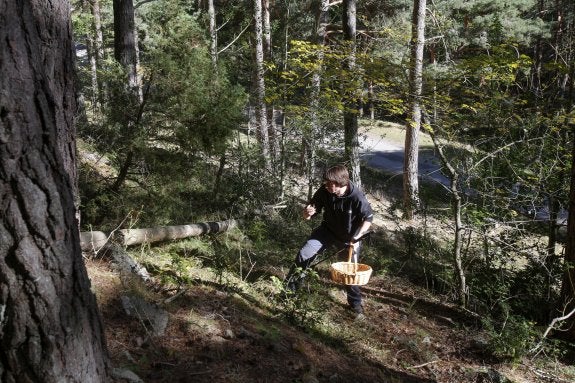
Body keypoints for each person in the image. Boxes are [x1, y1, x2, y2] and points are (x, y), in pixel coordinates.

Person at [286, 164, 373, 315]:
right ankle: (288, 292)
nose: (325, 185)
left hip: (350, 239)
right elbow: (307, 215)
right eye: (325, 182)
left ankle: (356, 307)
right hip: (327, 231)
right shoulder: (325, 190)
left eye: (329, 183)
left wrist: (358, 235)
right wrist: (308, 212)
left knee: (349, 272)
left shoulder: (356, 196)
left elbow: (368, 218)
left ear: (339, 183)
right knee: (304, 254)